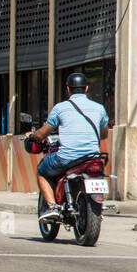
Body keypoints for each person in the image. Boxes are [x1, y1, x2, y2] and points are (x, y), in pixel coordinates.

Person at [26, 72, 110, 224]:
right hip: (93, 157)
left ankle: (52, 207)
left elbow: (43, 133)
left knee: (42, 170)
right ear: (86, 88)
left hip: (67, 157)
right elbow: (103, 134)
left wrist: (32, 136)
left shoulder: (61, 108)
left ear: (67, 89)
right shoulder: (99, 108)